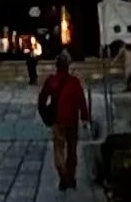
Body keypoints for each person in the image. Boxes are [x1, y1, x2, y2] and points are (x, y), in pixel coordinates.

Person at [37, 52, 89, 191]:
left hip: (57, 119)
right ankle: (70, 175)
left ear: (56, 66)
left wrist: (45, 115)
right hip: (72, 119)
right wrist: (84, 118)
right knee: (72, 149)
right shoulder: (74, 82)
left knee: (58, 148)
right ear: (67, 66)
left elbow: (42, 100)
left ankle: (63, 174)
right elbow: (81, 101)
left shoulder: (51, 81)